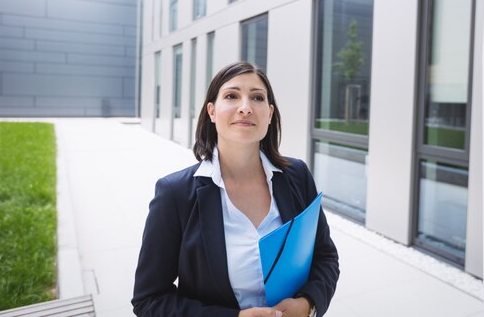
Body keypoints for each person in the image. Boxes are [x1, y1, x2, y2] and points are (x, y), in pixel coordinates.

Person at [132, 62, 339, 317]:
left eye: (257, 97)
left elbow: (325, 256)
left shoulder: (297, 176)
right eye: (231, 96)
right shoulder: (174, 194)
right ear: (212, 111)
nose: (245, 107)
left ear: (270, 113)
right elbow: (149, 300)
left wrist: (308, 304)